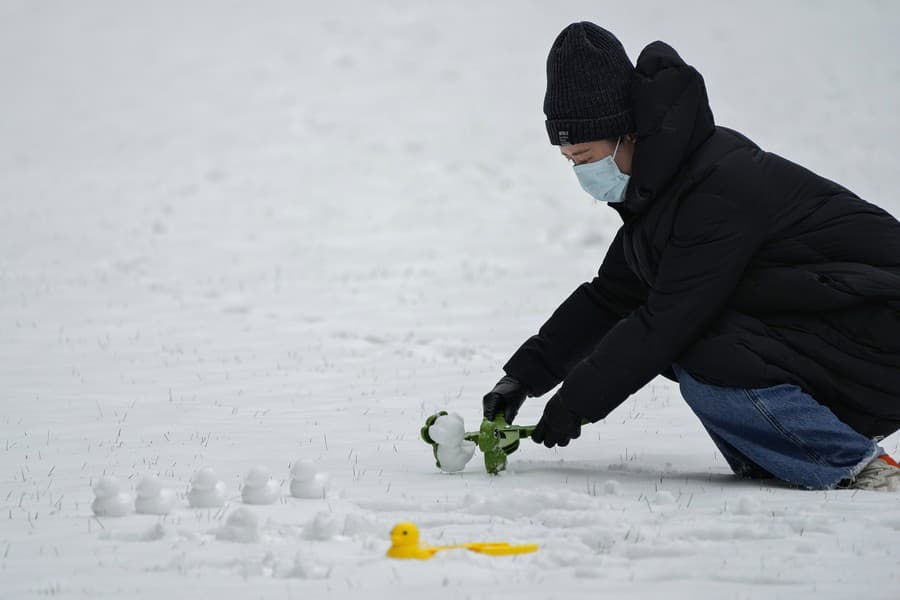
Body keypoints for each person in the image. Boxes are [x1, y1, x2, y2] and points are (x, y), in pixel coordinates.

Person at [482, 22, 900, 491]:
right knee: (687, 344)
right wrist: (520, 379)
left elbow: (667, 321)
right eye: (569, 161)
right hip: (836, 330)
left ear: (626, 135)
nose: (581, 172)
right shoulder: (663, 191)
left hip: (880, 330)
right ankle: (786, 456)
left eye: (584, 155)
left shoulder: (717, 188)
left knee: (697, 346)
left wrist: (574, 405)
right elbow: (611, 297)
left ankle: (856, 465)